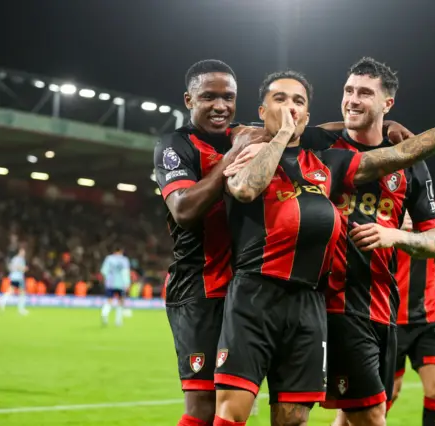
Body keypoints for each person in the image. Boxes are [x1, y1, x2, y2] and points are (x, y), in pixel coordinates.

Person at [217, 66, 435, 426]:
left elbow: (429, 228)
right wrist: (258, 141)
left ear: (388, 103)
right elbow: (256, 137)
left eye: (365, 93)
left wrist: (395, 235)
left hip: (377, 307)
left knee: (339, 415)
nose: (352, 99)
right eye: (348, 90)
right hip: (325, 302)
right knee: (368, 415)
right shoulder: (320, 145)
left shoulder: (377, 162)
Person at [153, 59, 268, 426]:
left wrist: (381, 124)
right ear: (189, 99)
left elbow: (306, 131)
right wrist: (231, 160)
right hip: (199, 287)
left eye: (228, 97)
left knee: (239, 404)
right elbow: (184, 209)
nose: (220, 105)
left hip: (244, 289)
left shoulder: (245, 134)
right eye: (208, 97)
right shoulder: (174, 145)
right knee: (202, 406)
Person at [390, 212, 435, 426]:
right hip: (389, 319)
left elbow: (424, 261)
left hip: (428, 316)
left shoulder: (426, 212)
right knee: (387, 395)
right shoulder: (383, 207)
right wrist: (391, 227)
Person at [100, 247, 131, 326]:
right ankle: (118, 321)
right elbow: (125, 272)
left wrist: (107, 279)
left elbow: (103, 271)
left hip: (110, 283)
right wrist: (127, 283)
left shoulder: (108, 259)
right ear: (121, 251)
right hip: (121, 284)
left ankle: (104, 313)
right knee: (120, 301)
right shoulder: (124, 260)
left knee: (109, 300)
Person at [0, 247, 28, 315]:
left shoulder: (15, 258)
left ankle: (2, 301)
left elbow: (11, 266)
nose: (23, 253)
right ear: (19, 252)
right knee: (22, 292)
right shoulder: (19, 259)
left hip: (14, 277)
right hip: (18, 277)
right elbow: (17, 267)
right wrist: (24, 268)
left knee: (11, 290)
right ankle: (21, 309)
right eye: (22, 252)